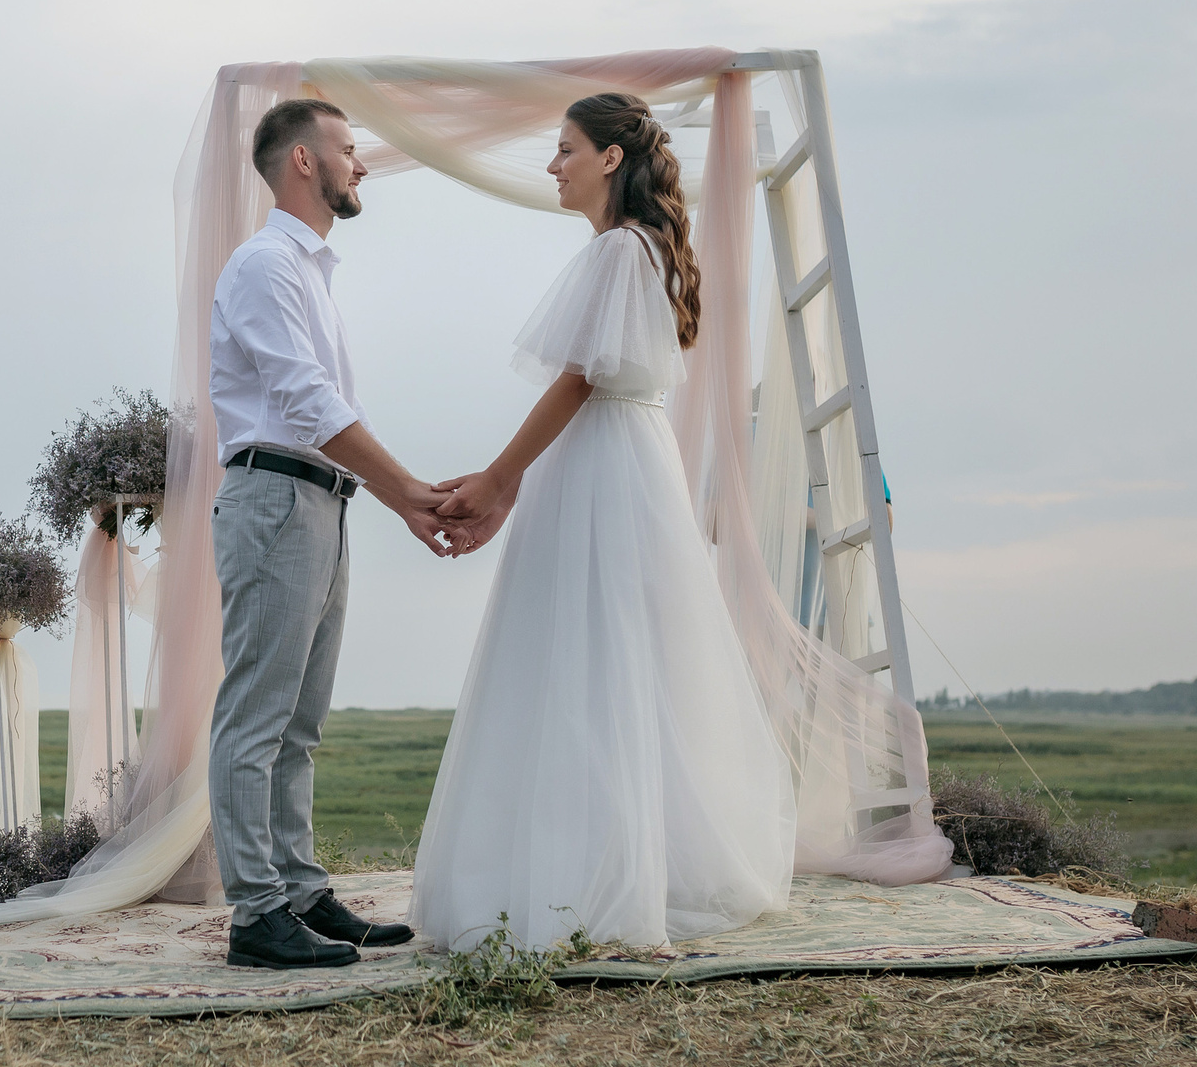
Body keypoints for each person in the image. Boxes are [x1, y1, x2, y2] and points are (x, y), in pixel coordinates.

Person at [414, 93, 796, 952]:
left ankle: (589, 877)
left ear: (610, 159)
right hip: (624, 460)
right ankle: (607, 860)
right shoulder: (636, 249)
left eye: (564, 149)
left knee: (586, 654)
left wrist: (500, 476)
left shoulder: (621, 250)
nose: (552, 166)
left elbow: (582, 377)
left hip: (604, 466)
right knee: (614, 659)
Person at [206, 97, 450, 970]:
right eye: (349, 148)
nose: (362, 163)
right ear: (304, 161)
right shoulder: (265, 265)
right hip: (275, 497)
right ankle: (255, 913)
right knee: (257, 715)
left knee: (300, 722)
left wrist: (377, 492)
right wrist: (408, 493)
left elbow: (320, 406)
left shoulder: (309, 271)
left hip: (318, 502)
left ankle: (301, 890)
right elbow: (308, 404)